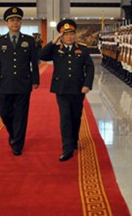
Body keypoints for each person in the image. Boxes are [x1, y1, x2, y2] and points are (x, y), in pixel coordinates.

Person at [39, 19, 95, 162]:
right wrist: (53, 41)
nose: (70, 37)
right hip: (62, 89)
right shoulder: (56, 49)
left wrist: (87, 84)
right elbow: (41, 55)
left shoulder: (82, 49)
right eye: (66, 34)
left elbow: (89, 67)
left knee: (76, 117)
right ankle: (67, 148)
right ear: (61, 36)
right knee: (65, 118)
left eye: (72, 34)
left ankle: (74, 139)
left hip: (78, 89)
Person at [0, 7, 40, 156]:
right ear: (7, 23)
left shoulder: (29, 41)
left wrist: (35, 79)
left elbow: (34, 62)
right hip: (5, 83)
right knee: (4, 112)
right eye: (12, 20)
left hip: (23, 83)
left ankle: (17, 144)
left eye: (18, 20)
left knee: (21, 115)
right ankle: (13, 134)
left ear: (21, 23)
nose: (15, 23)